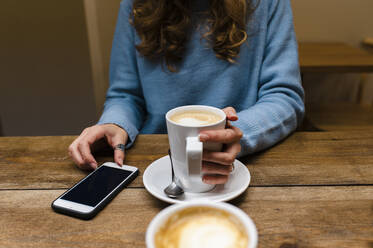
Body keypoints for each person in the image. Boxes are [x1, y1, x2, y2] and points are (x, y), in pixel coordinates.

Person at [69, 0, 304, 185]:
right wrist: (116, 123)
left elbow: (284, 97)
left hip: (241, 165)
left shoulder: (268, 4)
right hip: (154, 164)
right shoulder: (134, 5)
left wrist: (240, 133)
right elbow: (126, 95)